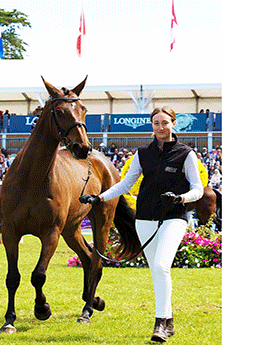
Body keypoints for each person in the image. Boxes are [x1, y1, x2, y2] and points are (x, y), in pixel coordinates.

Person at [80, 106, 203, 342]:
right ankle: (169, 322)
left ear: (173, 124)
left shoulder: (186, 153)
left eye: (165, 122)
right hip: (144, 217)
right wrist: (100, 197)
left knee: (160, 266)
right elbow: (126, 183)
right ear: (152, 125)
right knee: (158, 272)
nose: (160, 127)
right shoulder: (142, 153)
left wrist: (180, 198)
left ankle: (159, 324)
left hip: (174, 217)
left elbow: (197, 189)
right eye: (156, 123)